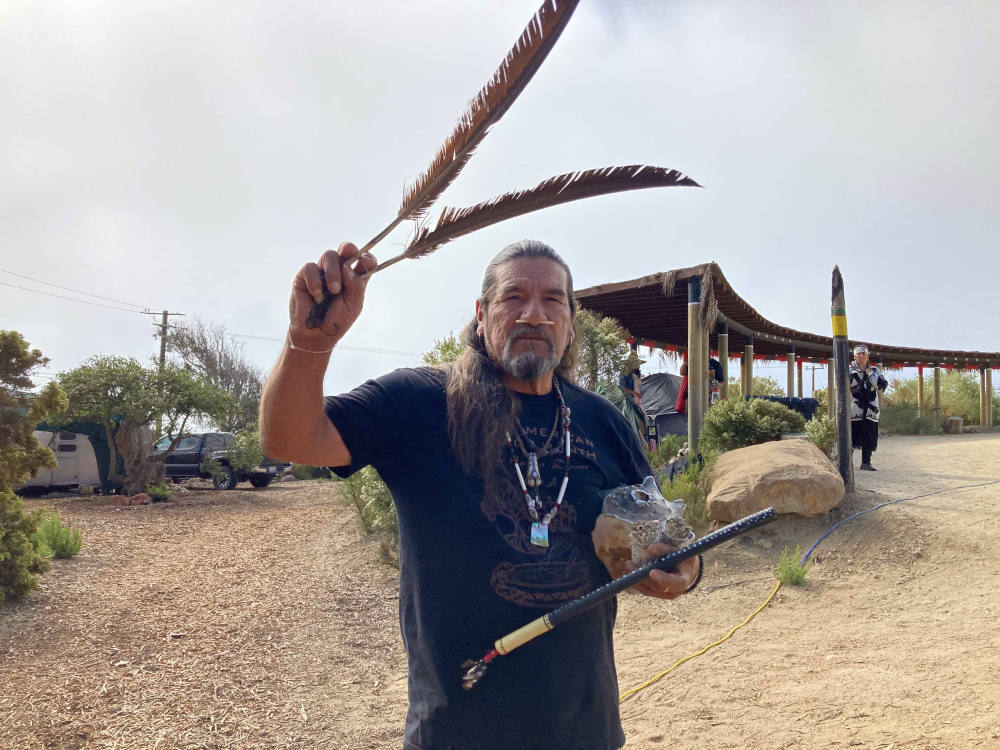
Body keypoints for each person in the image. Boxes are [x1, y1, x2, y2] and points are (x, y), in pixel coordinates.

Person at [260, 239, 701, 750]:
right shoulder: (421, 401)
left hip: (585, 728)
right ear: (481, 313)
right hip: (458, 728)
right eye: (514, 297)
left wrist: (683, 568)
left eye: (553, 300)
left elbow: (662, 533)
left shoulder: (603, 422)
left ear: (570, 322)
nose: (534, 314)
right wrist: (309, 343)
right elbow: (290, 440)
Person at [849, 344, 888, 471]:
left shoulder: (875, 370)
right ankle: (846, 463)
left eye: (863, 353)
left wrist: (870, 375)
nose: (861, 355)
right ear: (854, 356)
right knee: (851, 438)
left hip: (871, 410)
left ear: (867, 355)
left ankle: (866, 463)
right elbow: (846, 384)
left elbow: (880, 386)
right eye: (858, 353)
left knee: (869, 437)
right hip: (854, 410)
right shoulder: (848, 370)